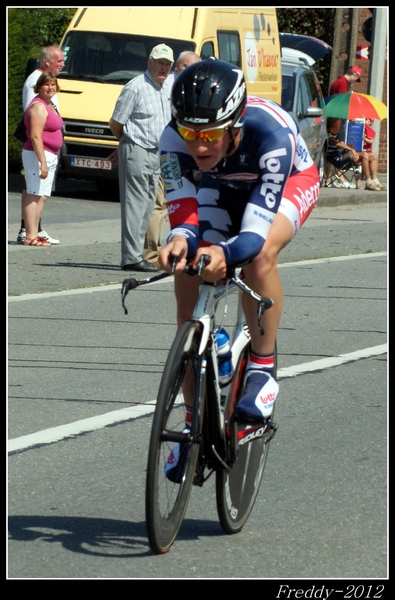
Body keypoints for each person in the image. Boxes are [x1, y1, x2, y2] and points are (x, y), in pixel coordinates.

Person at [158, 59, 320, 478]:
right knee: (188, 271)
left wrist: (226, 255)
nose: (199, 145)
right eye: (191, 133)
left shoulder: (271, 133)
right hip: (223, 184)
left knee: (259, 256)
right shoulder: (173, 139)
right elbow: (184, 212)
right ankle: (194, 417)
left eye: (210, 133)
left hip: (286, 182)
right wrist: (180, 241)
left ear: (235, 123)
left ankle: (262, 370)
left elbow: (250, 235)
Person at [109, 43, 174, 272]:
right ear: (149, 62)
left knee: (148, 205)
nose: (163, 68)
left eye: (167, 64)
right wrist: (127, 145)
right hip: (136, 148)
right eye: (160, 63)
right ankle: (131, 257)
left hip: (156, 151)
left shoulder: (167, 87)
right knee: (135, 205)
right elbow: (116, 123)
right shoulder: (135, 87)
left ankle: (137, 254)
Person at [142, 50, 202, 266]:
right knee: (158, 204)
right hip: (165, 150)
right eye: (184, 66)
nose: (189, 71)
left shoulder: (201, 87)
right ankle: (151, 252)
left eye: (194, 67)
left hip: (193, 153)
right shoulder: (165, 85)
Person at [17, 45, 65, 246]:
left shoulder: (49, 100)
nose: (63, 65)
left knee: (41, 194)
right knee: (34, 193)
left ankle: (35, 232)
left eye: (53, 86)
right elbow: (35, 133)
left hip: (49, 153)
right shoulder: (37, 99)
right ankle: (29, 234)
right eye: (59, 61)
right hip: (39, 153)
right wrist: (43, 161)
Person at [326, 117, 384, 191]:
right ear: (335, 126)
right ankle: (368, 182)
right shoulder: (329, 135)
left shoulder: (336, 135)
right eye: (339, 125)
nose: (340, 127)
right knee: (364, 155)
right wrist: (351, 149)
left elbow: (340, 146)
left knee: (373, 156)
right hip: (337, 160)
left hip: (343, 156)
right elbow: (337, 144)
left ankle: (375, 180)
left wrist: (349, 147)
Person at [328, 65, 363, 143]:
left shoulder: (338, 81)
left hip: (333, 115)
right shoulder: (343, 83)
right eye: (356, 79)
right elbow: (342, 102)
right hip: (338, 117)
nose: (354, 82)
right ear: (355, 75)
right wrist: (349, 116)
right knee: (341, 141)